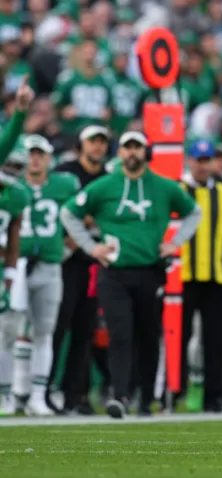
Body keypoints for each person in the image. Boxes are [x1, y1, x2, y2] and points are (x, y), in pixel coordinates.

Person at [60, 131, 202, 418]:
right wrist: (90, 246)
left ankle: (147, 399)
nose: (132, 152)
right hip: (113, 273)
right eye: (127, 147)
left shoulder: (163, 186)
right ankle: (120, 395)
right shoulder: (105, 185)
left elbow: (194, 212)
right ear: (120, 152)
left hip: (150, 270)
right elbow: (68, 212)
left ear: (145, 152)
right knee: (119, 335)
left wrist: (175, 242)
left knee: (149, 337)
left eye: (137, 147)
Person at [9, 134, 78, 416]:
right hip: (17, 266)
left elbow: (83, 218)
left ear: (49, 158)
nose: (34, 159)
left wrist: (66, 251)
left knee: (44, 332)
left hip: (50, 265)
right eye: (30, 154)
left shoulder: (64, 185)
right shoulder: (11, 187)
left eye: (40, 154)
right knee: (13, 332)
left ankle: (37, 395)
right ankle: (15, 392)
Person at [50, 123, 110, 415]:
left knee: (85, 331)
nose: (97, 147)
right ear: (80, 145)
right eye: (92, 142)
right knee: (57, 328)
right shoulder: (65, 173)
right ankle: (47, 390)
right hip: (66, 260)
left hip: (95, 263)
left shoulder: (111, 177)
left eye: (102, 142)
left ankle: (78, 394)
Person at [181, 139, 222, 413]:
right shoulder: (177, 189)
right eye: (198, 160)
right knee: (178, 338)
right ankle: (175, 392)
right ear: (189, 160)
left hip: (215, 277)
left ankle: (214, 398)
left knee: (216, 341)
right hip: (183, 275)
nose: (202, 166)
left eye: (207, 160)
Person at [0, 152, 33, 416]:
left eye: (17, 166)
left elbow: (13, 238)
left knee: (6, 334)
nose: (12, 170)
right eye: (8, 164)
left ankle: (4, 394)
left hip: (2, 267)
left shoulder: (18, 195)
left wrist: (10, 274)